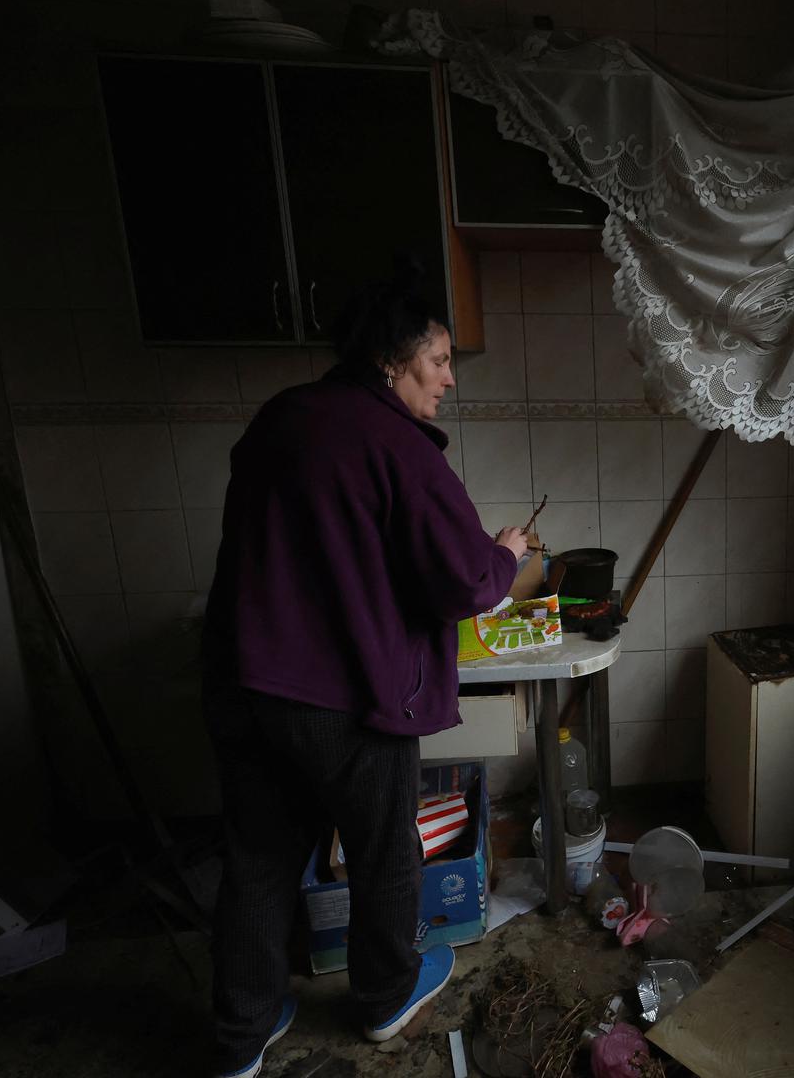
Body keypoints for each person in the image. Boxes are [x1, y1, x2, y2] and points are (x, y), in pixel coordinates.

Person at [201, 275, 530, 1078]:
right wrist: (508, 555)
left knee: (258, 858)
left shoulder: (281, 417)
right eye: (441, 359)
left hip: (243, 683)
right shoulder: (395, 446)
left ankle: (241, 1039)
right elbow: (463, 582)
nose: (450, 377)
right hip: (341, 695)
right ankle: (385, 999)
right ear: (392, 359)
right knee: (385, 847)